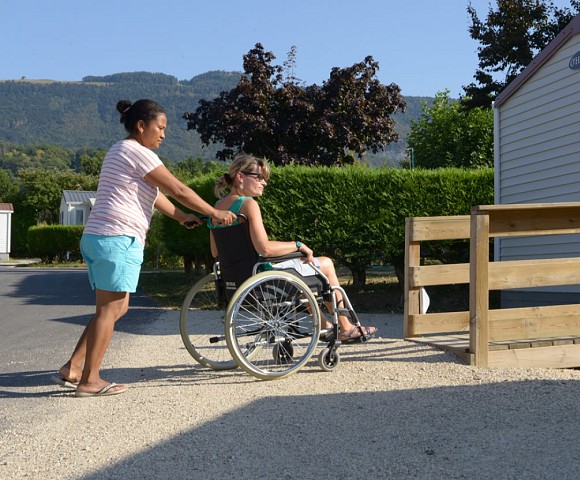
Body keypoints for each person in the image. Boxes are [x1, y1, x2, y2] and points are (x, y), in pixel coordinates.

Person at [52, 99, 236, 397]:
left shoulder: (120, 150)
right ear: (141, 126)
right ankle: (90, 380)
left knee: (114, 309)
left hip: (100, 237)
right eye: (160, 128)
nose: (163, 134)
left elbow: (155, 195)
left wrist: (181, 216)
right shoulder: (138, 152)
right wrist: (214, 213)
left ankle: (73, 368)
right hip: (118, 238)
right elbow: (179, 189)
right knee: (110, 309)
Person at [209, 154, 376, 342]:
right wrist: (297, 245)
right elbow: (265, 249)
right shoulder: (248, 204)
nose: (264, 183)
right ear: (240, 177)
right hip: (262, 278)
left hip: (236, 281)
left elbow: (215, 252)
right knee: (326, 264)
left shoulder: (217, 208)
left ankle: (323, 323)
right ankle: (346, 328)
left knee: (304, 271)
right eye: (259, 177)